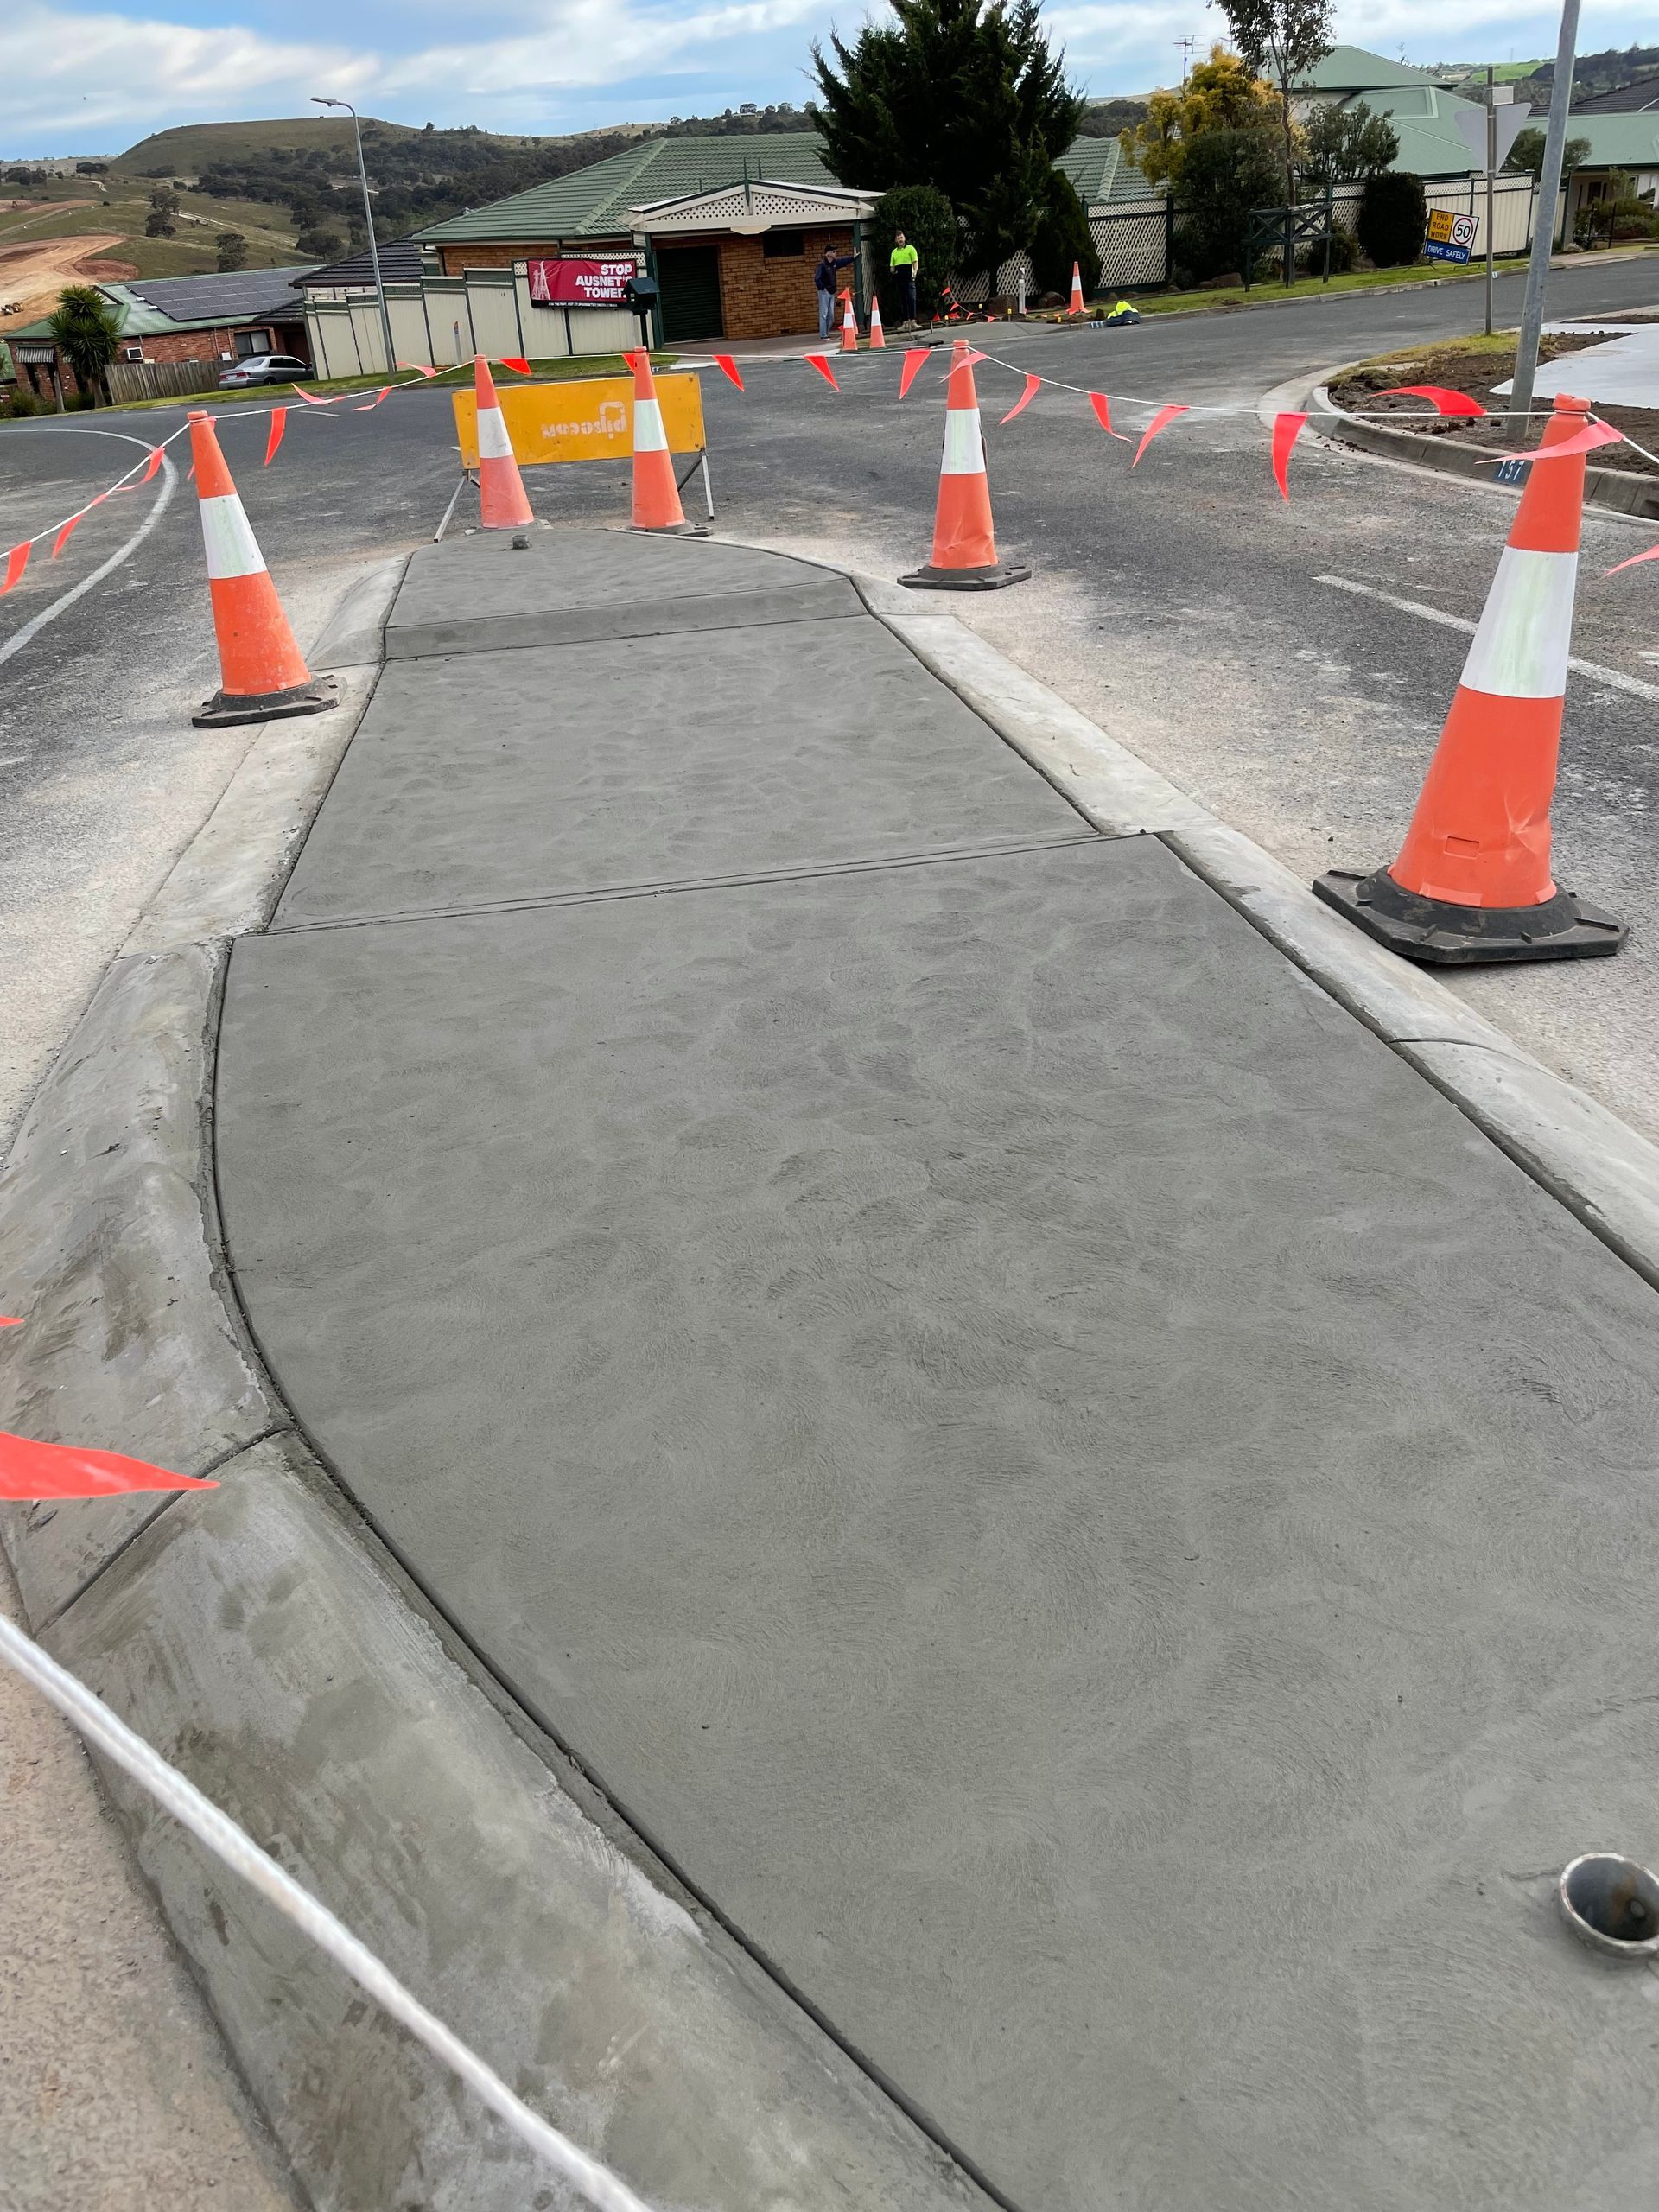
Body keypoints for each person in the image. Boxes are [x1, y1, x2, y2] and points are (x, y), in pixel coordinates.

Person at [814, 245, 855, 339]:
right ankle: (823, 335)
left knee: (831, 315)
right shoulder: (822, 265)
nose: (835, 253)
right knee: (824, 314)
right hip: (824, 292)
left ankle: (826, 333)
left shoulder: (833, 264)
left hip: (832, 292)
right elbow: (817, 279)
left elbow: (843, 262)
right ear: (828, 254)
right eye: (834, 252)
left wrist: (853, 258)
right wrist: (823, 288)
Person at [888, 230, 919, 326]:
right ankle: (905, 322)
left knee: (911, 298)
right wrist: (893, 272)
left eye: (901, 238)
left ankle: (913, 321)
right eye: (898, 238)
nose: (900, 240)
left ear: (904, 238)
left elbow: (915, 263)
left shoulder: (911, 249)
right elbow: (892, 267)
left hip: (909, 278)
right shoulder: (894, 252)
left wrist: (914, 274)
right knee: (903, 300)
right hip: (899, 279)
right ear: (896, 240)